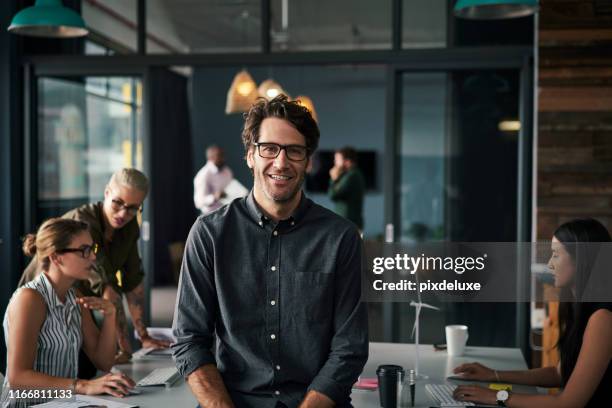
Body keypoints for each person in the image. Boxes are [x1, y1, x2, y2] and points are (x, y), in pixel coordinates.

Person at [172, 95, 369, 408]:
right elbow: (189, 339)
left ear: (308, 160)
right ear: (251, 155)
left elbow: (350, 347)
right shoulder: (209, 233)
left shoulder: (341, 237)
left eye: (294, 150)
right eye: (269, 148)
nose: (281, 161)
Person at [452, 218, 612, 408]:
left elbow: (569, 402)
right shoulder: (578, 307)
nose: (550, 264)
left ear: (582, 259)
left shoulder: (603, 318)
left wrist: (496, 396)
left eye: (556, 255)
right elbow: (559, 374)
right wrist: (493, 374)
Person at [19, 168, 169, 367]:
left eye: (133, 208)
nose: (124, 213)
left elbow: (133, 283)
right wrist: (124, 347)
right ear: (107, 193)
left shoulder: (128, 226)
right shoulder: (84, 225)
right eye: (118, 203)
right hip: (46, 300)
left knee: (87, 366)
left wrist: (143, 337)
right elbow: (108, 289)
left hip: (77, 301)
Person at [2, 218, 135, 408]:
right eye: (84, 251)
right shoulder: (29, 299)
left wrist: (110, 315)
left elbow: (104, 362)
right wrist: (83, 386)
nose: (92, 258)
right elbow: (18, 380)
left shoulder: (75, 297)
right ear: (56, 257)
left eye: (92, 249)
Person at [328, 146, 366, 231]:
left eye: (337, 160)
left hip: (347, 223)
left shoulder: (351, 175)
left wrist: (333, 179)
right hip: (348, 223)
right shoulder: (352, 174)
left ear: (347, 161)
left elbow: (332, 195)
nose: (335, 162)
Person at [193, 145, 234, 215]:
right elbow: (198, 202)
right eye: (219, 156)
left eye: (223, 156)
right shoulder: (203, 175)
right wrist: (214, 197)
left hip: (228, 213)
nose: (223, 159)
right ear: (210, 158)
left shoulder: (227, 171)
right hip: (210, 216)